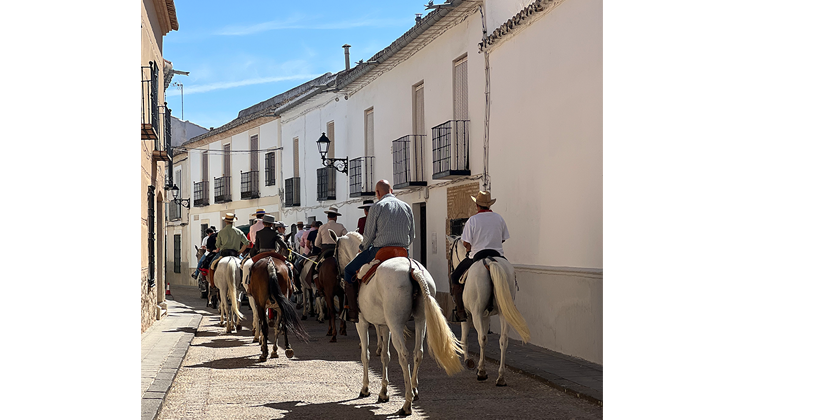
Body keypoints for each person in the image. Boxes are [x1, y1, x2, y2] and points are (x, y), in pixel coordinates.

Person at [343, 180, 414, 322]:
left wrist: (362, 248)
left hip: (380, 251)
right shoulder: (406, 207)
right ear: (391, 190)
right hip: (402, 252)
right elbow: (411, 236)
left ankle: (352, 310)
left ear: (377, 193)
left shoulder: (377, 207)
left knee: (348, 270)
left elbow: (368, 236)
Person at [449, 191, 509, 322]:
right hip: (498, 255)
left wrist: (469, 247)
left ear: (477, 205)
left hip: (477, 256)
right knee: (510, 273)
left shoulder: (473, 220)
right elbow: (503, 239)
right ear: (489, 205)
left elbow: (465, 242)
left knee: (454, 277)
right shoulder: (499, 218)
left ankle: (460, 311)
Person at [208, 213, 249, 289]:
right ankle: (244, 284)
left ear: (225, 221)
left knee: (211, 265)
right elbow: (246, 243)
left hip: (223, 254)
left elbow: (217, 245)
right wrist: (240, 251)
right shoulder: (239, 232)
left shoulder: (221, 232)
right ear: (233, 221)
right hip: (235, 254)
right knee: (245, 266)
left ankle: (212, 285)